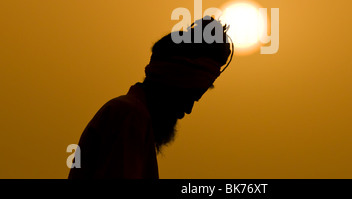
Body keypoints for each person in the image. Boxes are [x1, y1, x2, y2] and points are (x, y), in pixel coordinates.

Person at [68, 16, 233, 179]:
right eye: (188, 98)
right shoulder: (130, 116)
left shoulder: (132, 115)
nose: (187, 110)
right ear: (171, 83)